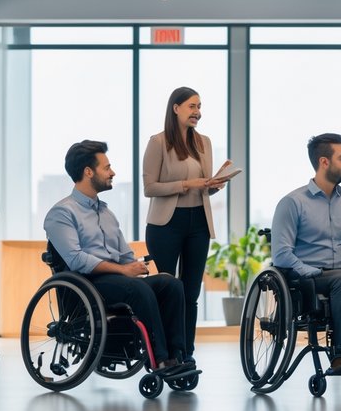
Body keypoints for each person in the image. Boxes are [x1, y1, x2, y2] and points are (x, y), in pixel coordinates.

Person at [44, 140, 192, 376]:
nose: (112, 173)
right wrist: (123, 271)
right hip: (87, 284)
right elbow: (76, 259)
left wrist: (133, 266)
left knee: (171, 284)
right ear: (88, 172)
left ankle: (177, 356)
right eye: (107, 168)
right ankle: (160, 360)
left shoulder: (106, 212)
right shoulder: (62, 213)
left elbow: (124, 254)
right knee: (137, 289)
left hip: (117, 281)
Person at [271, 133, 341, 376]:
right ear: (324, 162)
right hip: (305, 278)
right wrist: (312, 271)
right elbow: (281, 254)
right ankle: (339, 355)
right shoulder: (292, 202)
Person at [142, 87, 230, 365]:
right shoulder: (158, 142)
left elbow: (203, 188)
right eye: (192, 106)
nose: (197, 112)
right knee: (169, 292)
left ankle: (185, 353)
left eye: (199, 107)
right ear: (176, 108)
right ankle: (165, 353)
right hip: (166, 225)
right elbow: (149, 187)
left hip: (198, 222)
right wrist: (186, 184)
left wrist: (213, 185)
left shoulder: (204, 142)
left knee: (191, 293)